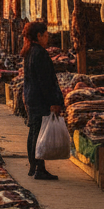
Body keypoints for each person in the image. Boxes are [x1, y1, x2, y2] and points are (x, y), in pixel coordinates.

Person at [22, 21, 64, 180]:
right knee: (38, 132)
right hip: (39, 98)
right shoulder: (39, 53)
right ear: (38, 36)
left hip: (32, 96)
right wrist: (53, 101)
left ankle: (34, 166)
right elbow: (45, 81)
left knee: (34, 131)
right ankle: (39, 167)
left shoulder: (29, 51)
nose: (47, 38)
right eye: (45, 35)